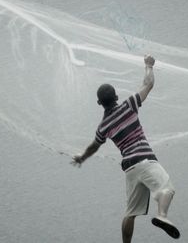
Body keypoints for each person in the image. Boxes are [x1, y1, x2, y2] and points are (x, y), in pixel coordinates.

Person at [71, 55, 180, 242]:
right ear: (116, 97)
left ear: (100, 104)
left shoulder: (103, 126)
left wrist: (81, 158)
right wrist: (148, 65)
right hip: (145, 161)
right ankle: (162, 214)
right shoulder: (129, 106)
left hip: (130, 169)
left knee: (130, 213)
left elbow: (94, 147)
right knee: (167, 188)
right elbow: (148, 84)